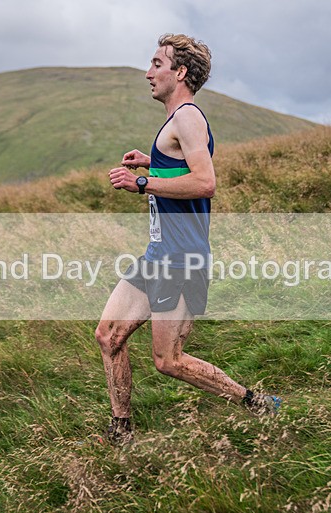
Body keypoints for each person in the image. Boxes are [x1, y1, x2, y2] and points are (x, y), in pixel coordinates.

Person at [95, 33, 280, 446]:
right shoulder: (176, 123)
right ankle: (121, 431)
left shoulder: (188, 117)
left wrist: (142, 181)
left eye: (157, 64)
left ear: (179, 72)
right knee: (108, 335)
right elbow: (185, 168)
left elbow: (205, 182)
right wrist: (154, 162)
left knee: (169, 361)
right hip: (158, 254)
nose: (148, 73)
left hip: (182, 259)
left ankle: (255, 402)